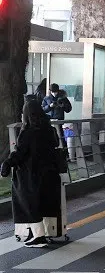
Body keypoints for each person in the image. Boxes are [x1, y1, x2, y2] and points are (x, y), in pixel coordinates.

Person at [0, 100, 62, 248]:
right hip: (50, 173)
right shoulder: (49, 130)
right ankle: (47, 233)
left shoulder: (27, 132)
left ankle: (38, 236)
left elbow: (20, 153)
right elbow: (55, 145)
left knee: (28, 204)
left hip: (30, 174)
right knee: (45, 204)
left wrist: (7, 163)